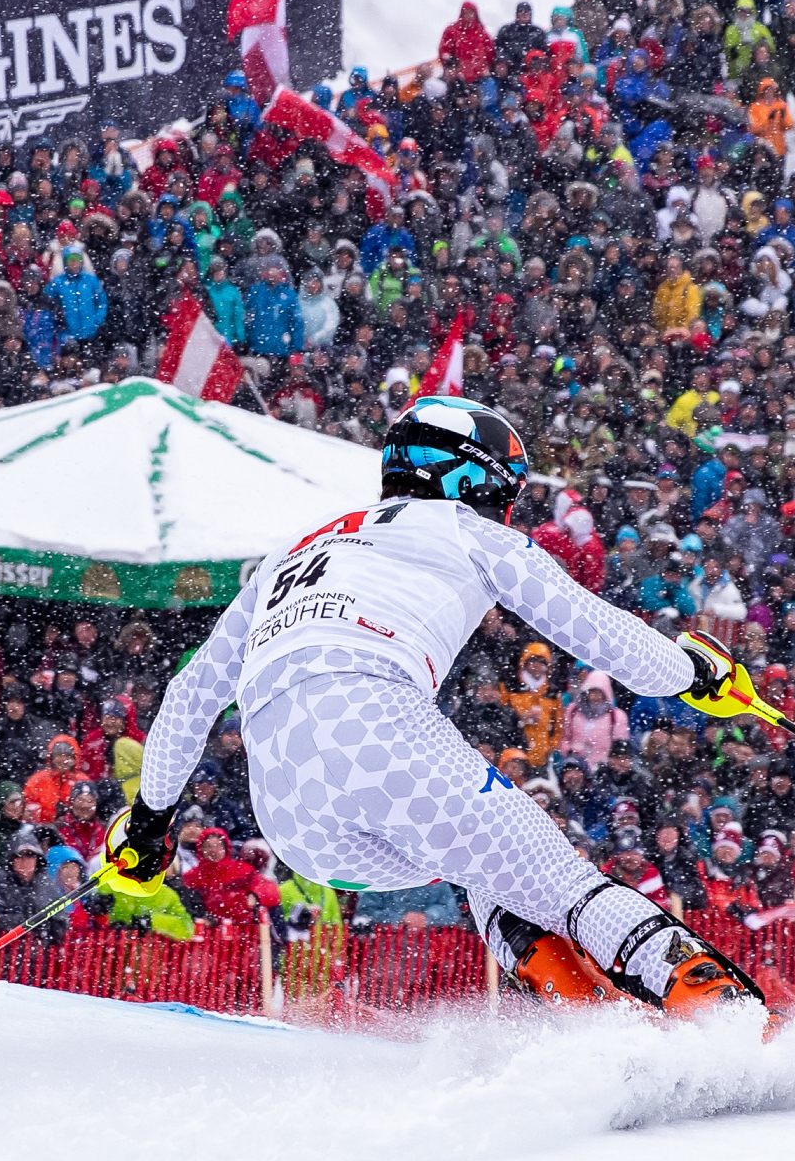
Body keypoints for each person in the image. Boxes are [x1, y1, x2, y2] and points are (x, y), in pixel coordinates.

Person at [101, 397, 759, 1014]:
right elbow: (598, 632)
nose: (506, 506)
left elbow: (190, 697)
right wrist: (695, 672)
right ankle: (726, 1017)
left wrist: (149, 827)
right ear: (473, 478)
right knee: (562, 881)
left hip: (288, 809)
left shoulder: (292, 550)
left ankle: (594, 1026)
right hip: (374, 724)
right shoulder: (467, 530)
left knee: (489, 867)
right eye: (505, 488)